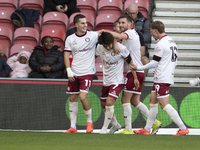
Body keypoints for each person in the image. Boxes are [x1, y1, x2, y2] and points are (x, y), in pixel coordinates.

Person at [100, 14, 161, 134]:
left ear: (131, 24)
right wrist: (115, 42)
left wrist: (103, 30)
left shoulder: (131, 33)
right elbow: (117, 38)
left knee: (125, 100)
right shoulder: (130, 36)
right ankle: (154, 122)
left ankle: (128, 129)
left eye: (123, 23)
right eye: (120, 23)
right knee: (135, 101)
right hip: (137, 71)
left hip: (134, 71)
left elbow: (117, 35)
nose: (121, 25)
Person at [132, 21, 189, 136]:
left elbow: (154, 63)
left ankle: (183, 128)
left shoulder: (161, 44)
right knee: (152, 101)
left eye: (152, 32)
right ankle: (147, 129)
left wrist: (138, 67)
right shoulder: (172, 42)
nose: (151, 35)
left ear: (156, 31)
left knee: (164, 104)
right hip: (164, 76)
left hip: (162, 78)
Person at [96, 32, 138, 134]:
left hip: (117, 81)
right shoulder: (99, 47)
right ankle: (115, 124)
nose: (107, 47)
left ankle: (104, 128)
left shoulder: (121, 49)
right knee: (103, 105)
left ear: (112, 42)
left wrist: (135, 78)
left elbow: (131, 63)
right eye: (104, 46)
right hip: (106, 81)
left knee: (109, 102)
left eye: (108, 45)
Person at [126, 3, 151, 77]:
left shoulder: (145, 21)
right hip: (124, 50)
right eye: (130, 13)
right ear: (127, 12)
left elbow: (148, 35)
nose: (132, 15)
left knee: (146, 62)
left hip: (139, 51)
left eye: (133, 13)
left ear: (137, 12)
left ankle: (140, 83)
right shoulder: (122, 20)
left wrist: (135, 39)